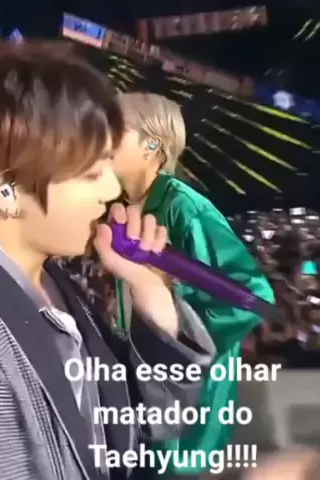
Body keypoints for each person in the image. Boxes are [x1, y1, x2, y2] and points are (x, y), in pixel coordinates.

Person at [0, 42, 216, 480]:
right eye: (92, 173)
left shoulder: (52, 283)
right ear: (6, 191)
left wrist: (150, 291)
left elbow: (143, 426)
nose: (111, 191)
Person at [111, 92, 275, 477]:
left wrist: (173, 312)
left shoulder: (185, 209)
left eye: (113, 128)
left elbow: (252, 298)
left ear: (152, 145)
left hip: (185, 409)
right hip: (145, 393)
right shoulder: (129, 207)